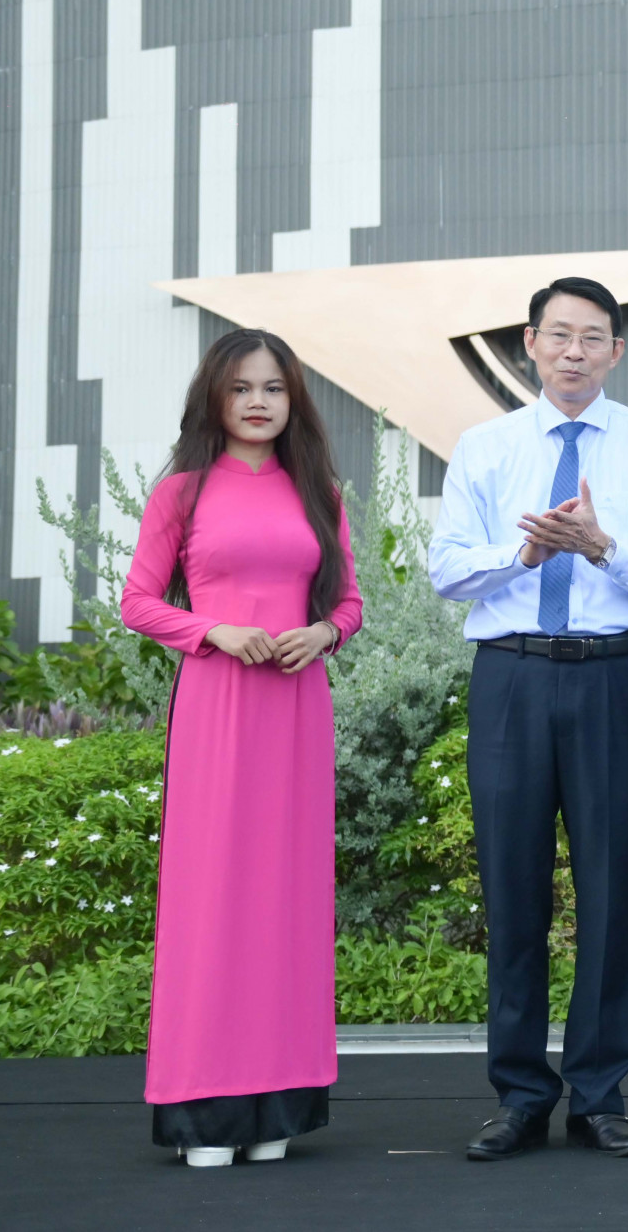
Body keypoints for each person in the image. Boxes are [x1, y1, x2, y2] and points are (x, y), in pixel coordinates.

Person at [428, 277, 628, 1160]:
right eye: (559, 335)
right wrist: (526, 550)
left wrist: (601, 544)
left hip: (613, 680)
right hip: (512, 677)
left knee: (610, 890)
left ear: (618, 352)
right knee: (513, 890)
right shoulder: (485, 445)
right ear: (530, 345)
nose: (575, 351)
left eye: (593, 338)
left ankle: (600, 1091)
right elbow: (447, 568)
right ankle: (519, 1091)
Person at [120, 328, 363, 1168]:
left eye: (275, 388)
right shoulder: (181, 493)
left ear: (293, 400)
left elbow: (351, 602)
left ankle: (274, 1107)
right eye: (242, 388)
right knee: (213, 898)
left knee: (285, 900)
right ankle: (201, 1106)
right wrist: (213, 629)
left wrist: (323, 633)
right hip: (219, 709)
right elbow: (139, 602)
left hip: (296, 711)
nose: (259, 401)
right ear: (215, 398)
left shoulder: (316, 490)